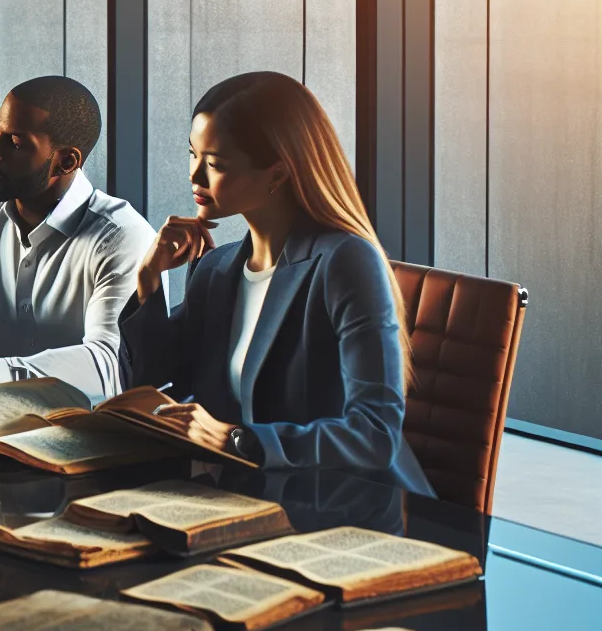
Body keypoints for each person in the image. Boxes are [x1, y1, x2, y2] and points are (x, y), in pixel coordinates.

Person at [119, 71, 432, 493]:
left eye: (215, 164)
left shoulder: (345, 262)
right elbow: (152, 384)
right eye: (193, 155)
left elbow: (375, 435)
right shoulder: (216, 270)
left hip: (347, 510)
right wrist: (149, 279)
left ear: (279, 174)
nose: (195, 177)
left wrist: (237, 440)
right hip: (245, 500)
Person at [0, 76, 156, 400]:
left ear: (66, 161)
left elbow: (108, 367)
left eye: (16, 143)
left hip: (88, 434)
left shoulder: (122, 238)